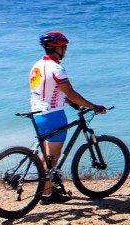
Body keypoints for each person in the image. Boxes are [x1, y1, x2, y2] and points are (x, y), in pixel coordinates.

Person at [29, 31, 106, 204]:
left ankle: (48, 191)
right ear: (58, 48)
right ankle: (47, 195)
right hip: (53, 116)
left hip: (37, 114)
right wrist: (93, 106)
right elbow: (70, 93)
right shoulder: (56, 69)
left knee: (46, 157)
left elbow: (51, 92)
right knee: (52, 159)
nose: (66, 50)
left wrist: (73, 104)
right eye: (65, 47)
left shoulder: (37, 66)